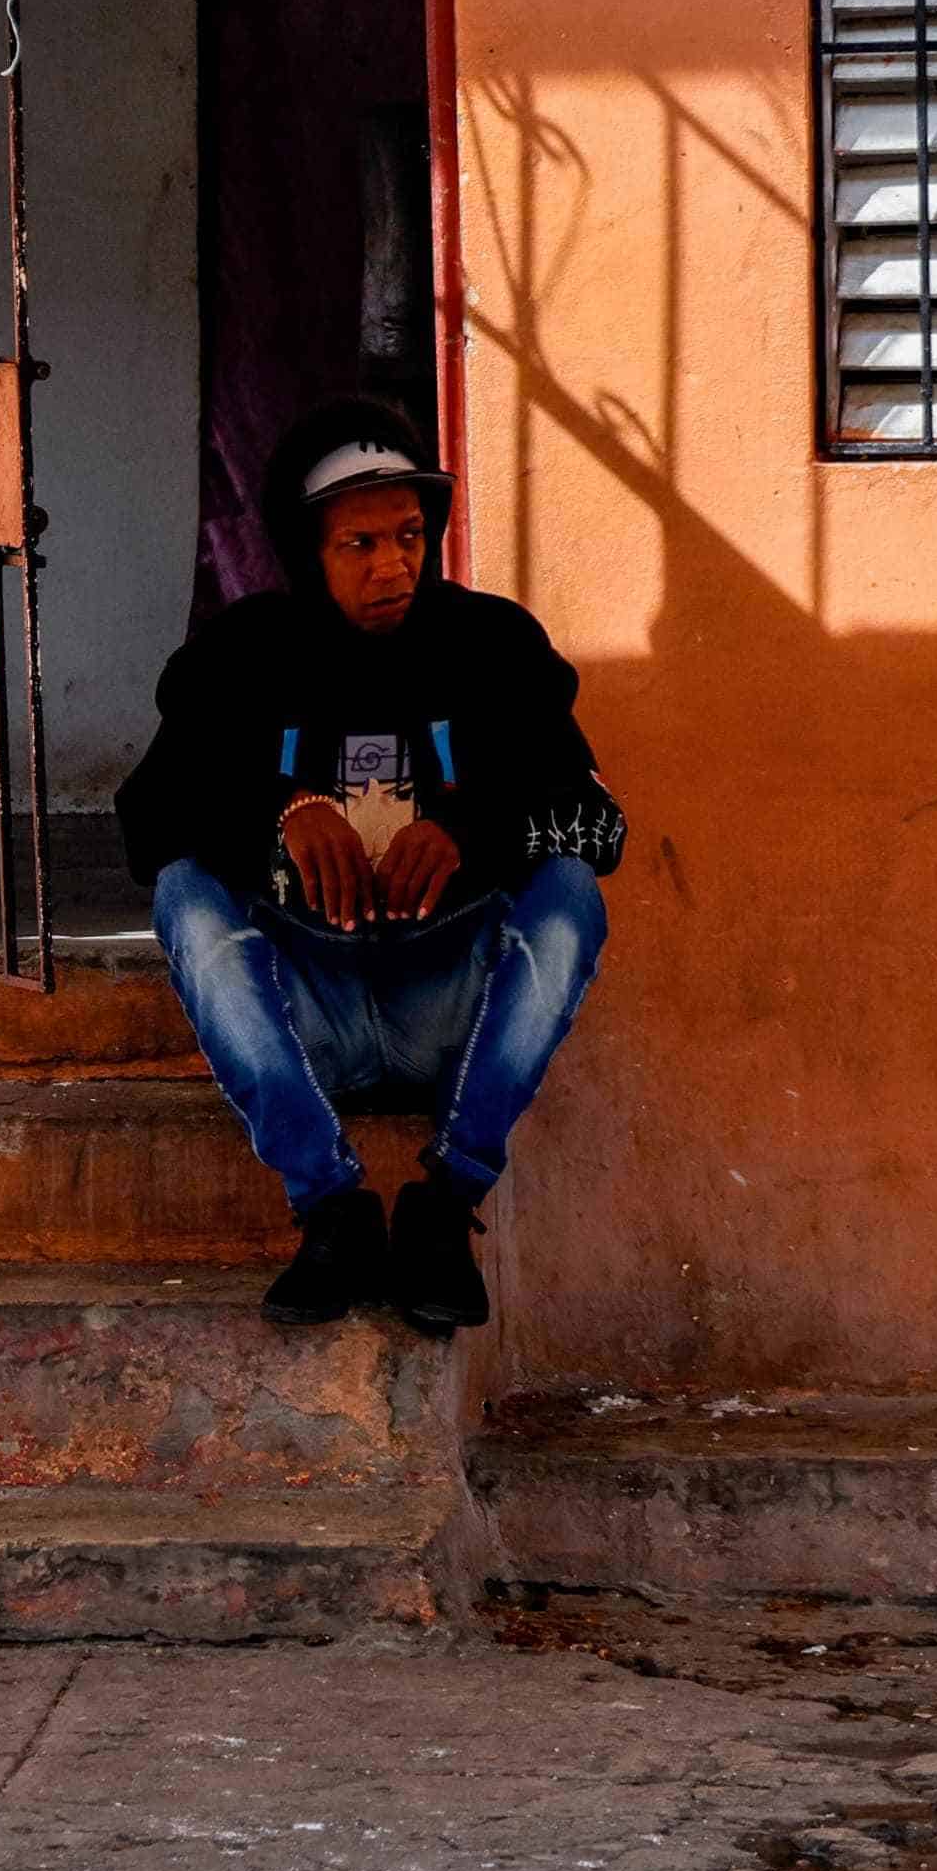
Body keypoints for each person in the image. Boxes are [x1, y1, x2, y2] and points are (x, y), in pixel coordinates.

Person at [117, 398, 622, 1333]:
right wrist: (282, 811)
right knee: (186, 890)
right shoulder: (243, 654)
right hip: (310, 1014)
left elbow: (600, 826)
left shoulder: (494, 647)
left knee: (570, 892)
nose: (393, 564)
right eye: (360, 544)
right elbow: (146, 819)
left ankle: (444, 1202)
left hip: (450, 1013)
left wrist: (474, 825)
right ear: (308, 552)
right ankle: (331, 1205)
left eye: (409, 535)